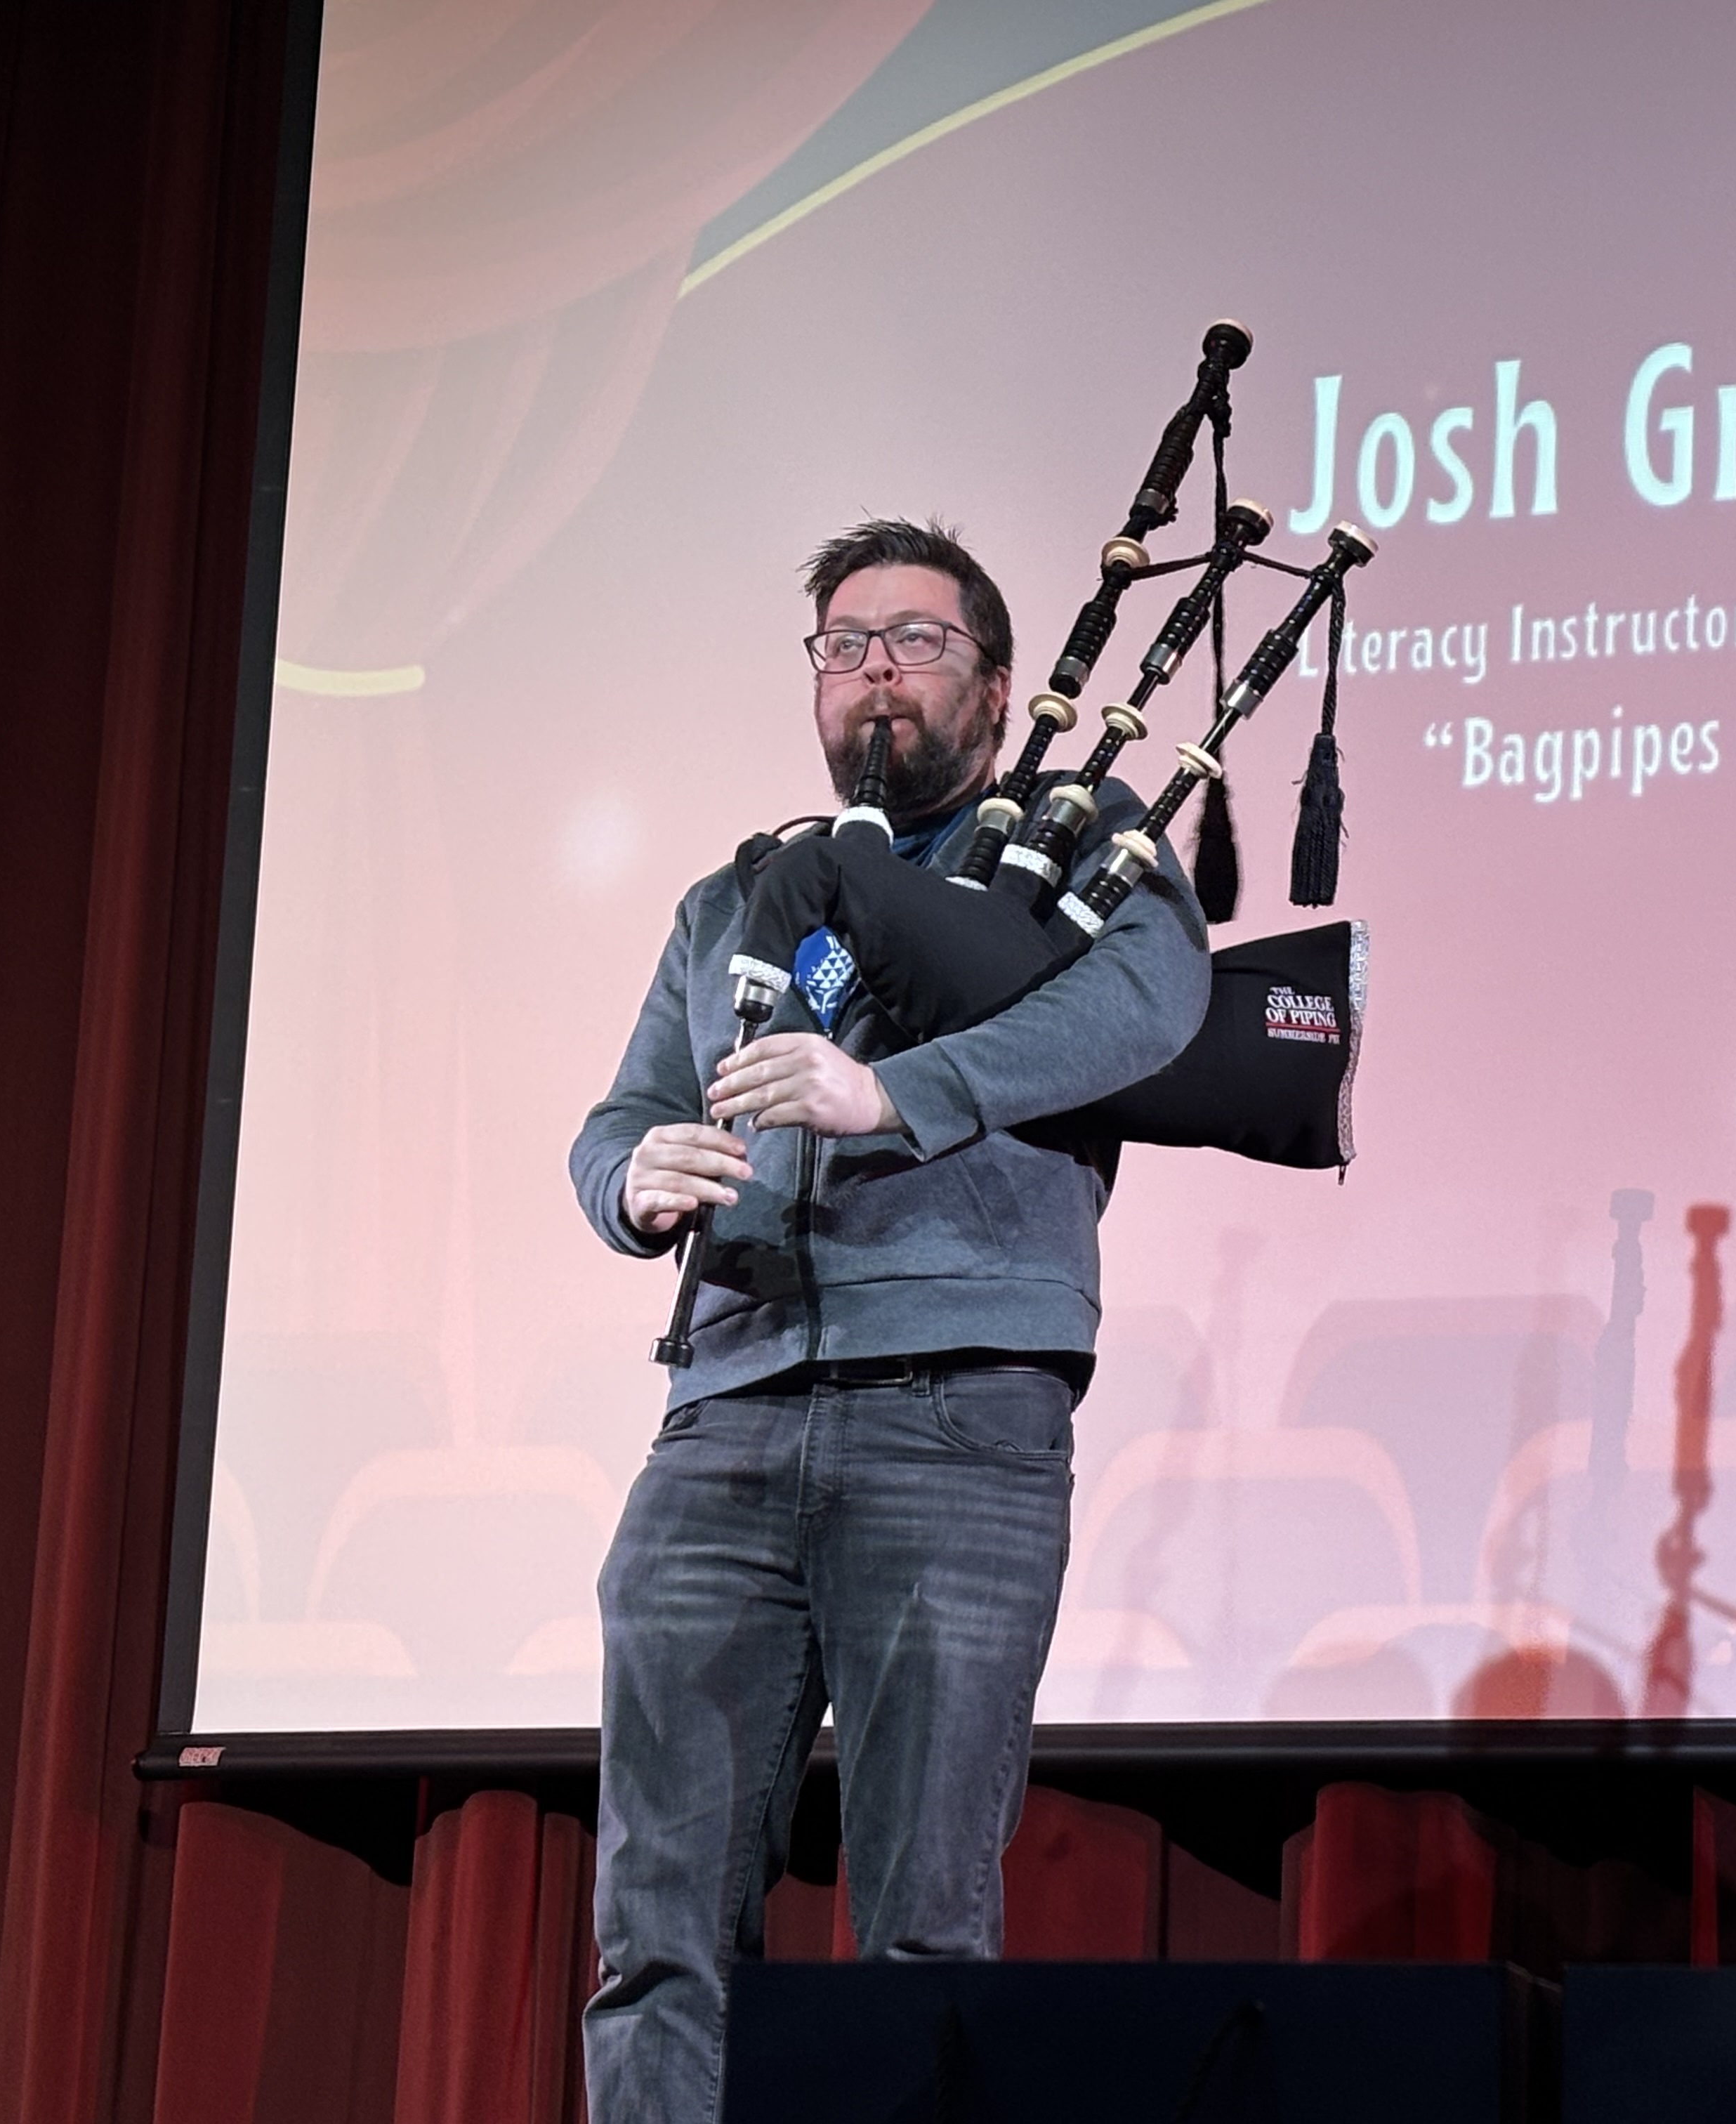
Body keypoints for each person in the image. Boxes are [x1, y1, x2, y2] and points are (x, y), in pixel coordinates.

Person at [568, 518, 1211, 2122]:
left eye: (916, 642)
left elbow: (1153, 1007)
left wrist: (897, 1094)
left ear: (994, 683)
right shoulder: (740, 894)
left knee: (925, 1922)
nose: (876, 671)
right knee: (657, 1938)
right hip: (725, 1409)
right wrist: (624, 1176)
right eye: (846, 644)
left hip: (959, 1409)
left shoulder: (1076, 855)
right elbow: (623, 1112)